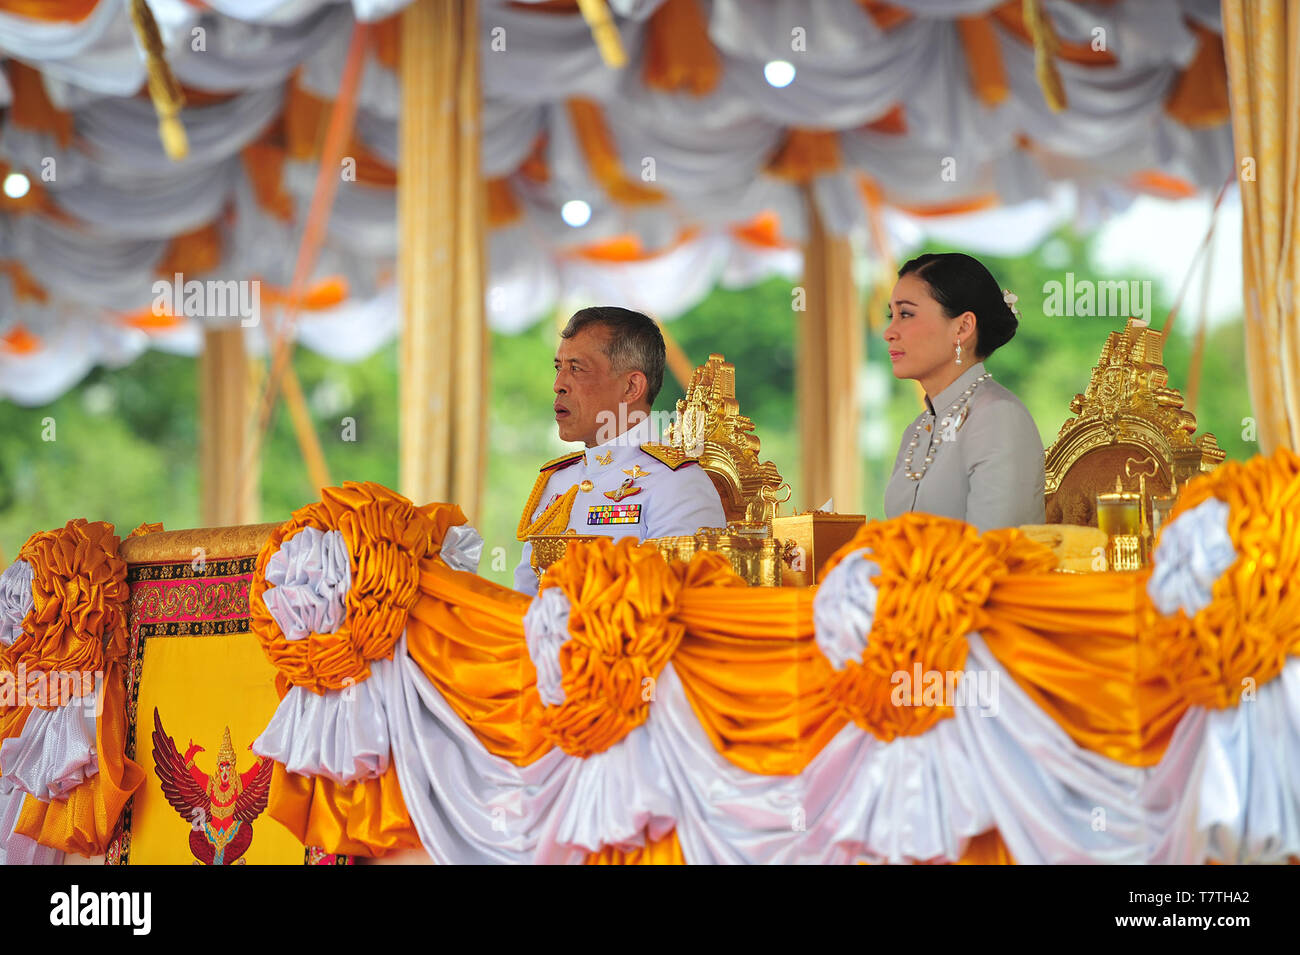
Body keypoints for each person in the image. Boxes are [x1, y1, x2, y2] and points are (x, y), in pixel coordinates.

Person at [513, 306, 727, 594]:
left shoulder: (677, 484)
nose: (558, 385)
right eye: (558, 368)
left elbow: (673, 612)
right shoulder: (557, 480)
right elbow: (523, 600)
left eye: (576, 369)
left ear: (631, 387)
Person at [882, 252, 1045, 531]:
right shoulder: (917, 430)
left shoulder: (997, 417)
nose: (889, 332)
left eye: (906, 314)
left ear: (963, 327)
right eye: (891, 315)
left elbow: (991, 552)